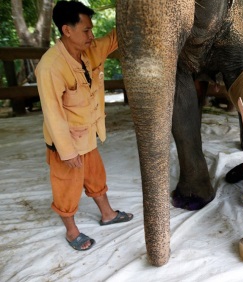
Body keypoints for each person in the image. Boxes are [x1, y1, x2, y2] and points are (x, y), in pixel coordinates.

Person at [35, 0, 133, 251]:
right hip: (66, 142)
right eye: (86, 30)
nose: (92, 35)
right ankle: (71, 231)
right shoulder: (50, 66)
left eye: (91, 30)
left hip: (87, 134)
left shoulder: (90, 50)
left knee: (96, 177)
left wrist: (134, 12)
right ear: (67, 30)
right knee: (67, 187)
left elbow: (114, 38)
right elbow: (53, 114)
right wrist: (66, 152)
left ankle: (108, 214)